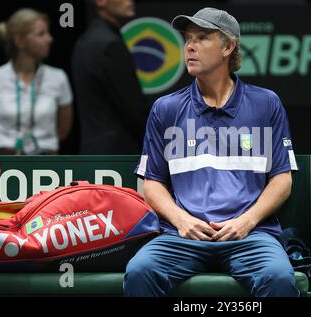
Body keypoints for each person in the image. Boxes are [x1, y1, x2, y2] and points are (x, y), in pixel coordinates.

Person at [125, 7, 300, 297]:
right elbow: (151, 182)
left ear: (228, 47)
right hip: (181, 236)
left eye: (203, 38)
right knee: (140, 271)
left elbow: (282, 179)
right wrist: (182, 220)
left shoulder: (266, 103)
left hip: (251, 236)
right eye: (188, 38)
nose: (190, 46)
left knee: (279, 277)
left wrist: (247, 221)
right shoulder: (166, 108)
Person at [71, 0, 147, 154]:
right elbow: (134, 111)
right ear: (101, 2)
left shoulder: (86, 40)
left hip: (93, 151)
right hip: (117, 156)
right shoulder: (109, 44)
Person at [0, 8, 73, 155]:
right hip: (3, 163)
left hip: (46, 163)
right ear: (20, 41)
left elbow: (64, 129)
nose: (50, 39)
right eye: (41, 34)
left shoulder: (58, 77)